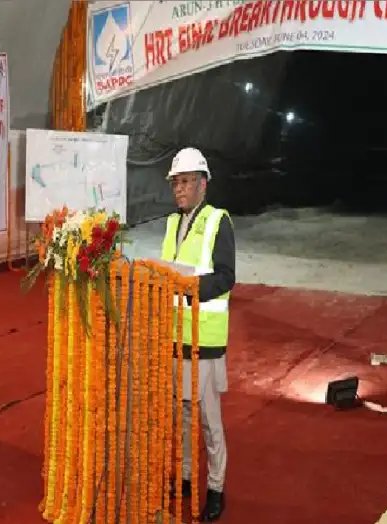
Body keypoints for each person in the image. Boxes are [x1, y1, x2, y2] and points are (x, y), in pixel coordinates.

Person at [160, 147, 235, 522]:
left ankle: (216, 488)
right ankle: (187, 477)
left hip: (204, 340)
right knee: (182, 415)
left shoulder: (218, 221)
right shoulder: (172, 223)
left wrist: (189, 287)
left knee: (208, 420)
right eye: (176, 182)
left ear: (203, 184)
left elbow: (225, 277)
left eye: (186, 181)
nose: (179, 188)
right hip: (175, 337)